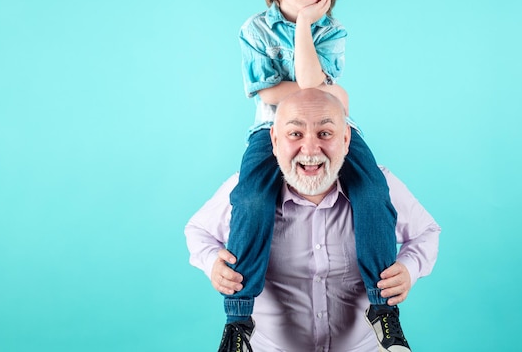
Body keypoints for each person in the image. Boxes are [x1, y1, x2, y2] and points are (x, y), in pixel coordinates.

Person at [222, 0, 403, 352]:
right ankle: (238, 319)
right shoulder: (255, 29)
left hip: (332, 129)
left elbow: (316, 93)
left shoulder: (332, 30)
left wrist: (305, 29)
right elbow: (277, 90)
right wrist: (324, 89)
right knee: (251, 200)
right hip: (274, 131)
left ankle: (383, 310)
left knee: (373, 191)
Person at [185, 89, 441, 352]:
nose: (309, 149)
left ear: (345, 138)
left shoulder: (377, 187)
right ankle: (237, 324)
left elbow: (427, 232)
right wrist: (212, 263)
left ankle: (384, 314)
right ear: (274, 140)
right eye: (295, 134)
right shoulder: (246, 191)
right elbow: (197, 231)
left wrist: (409, 269)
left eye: (325, 134)